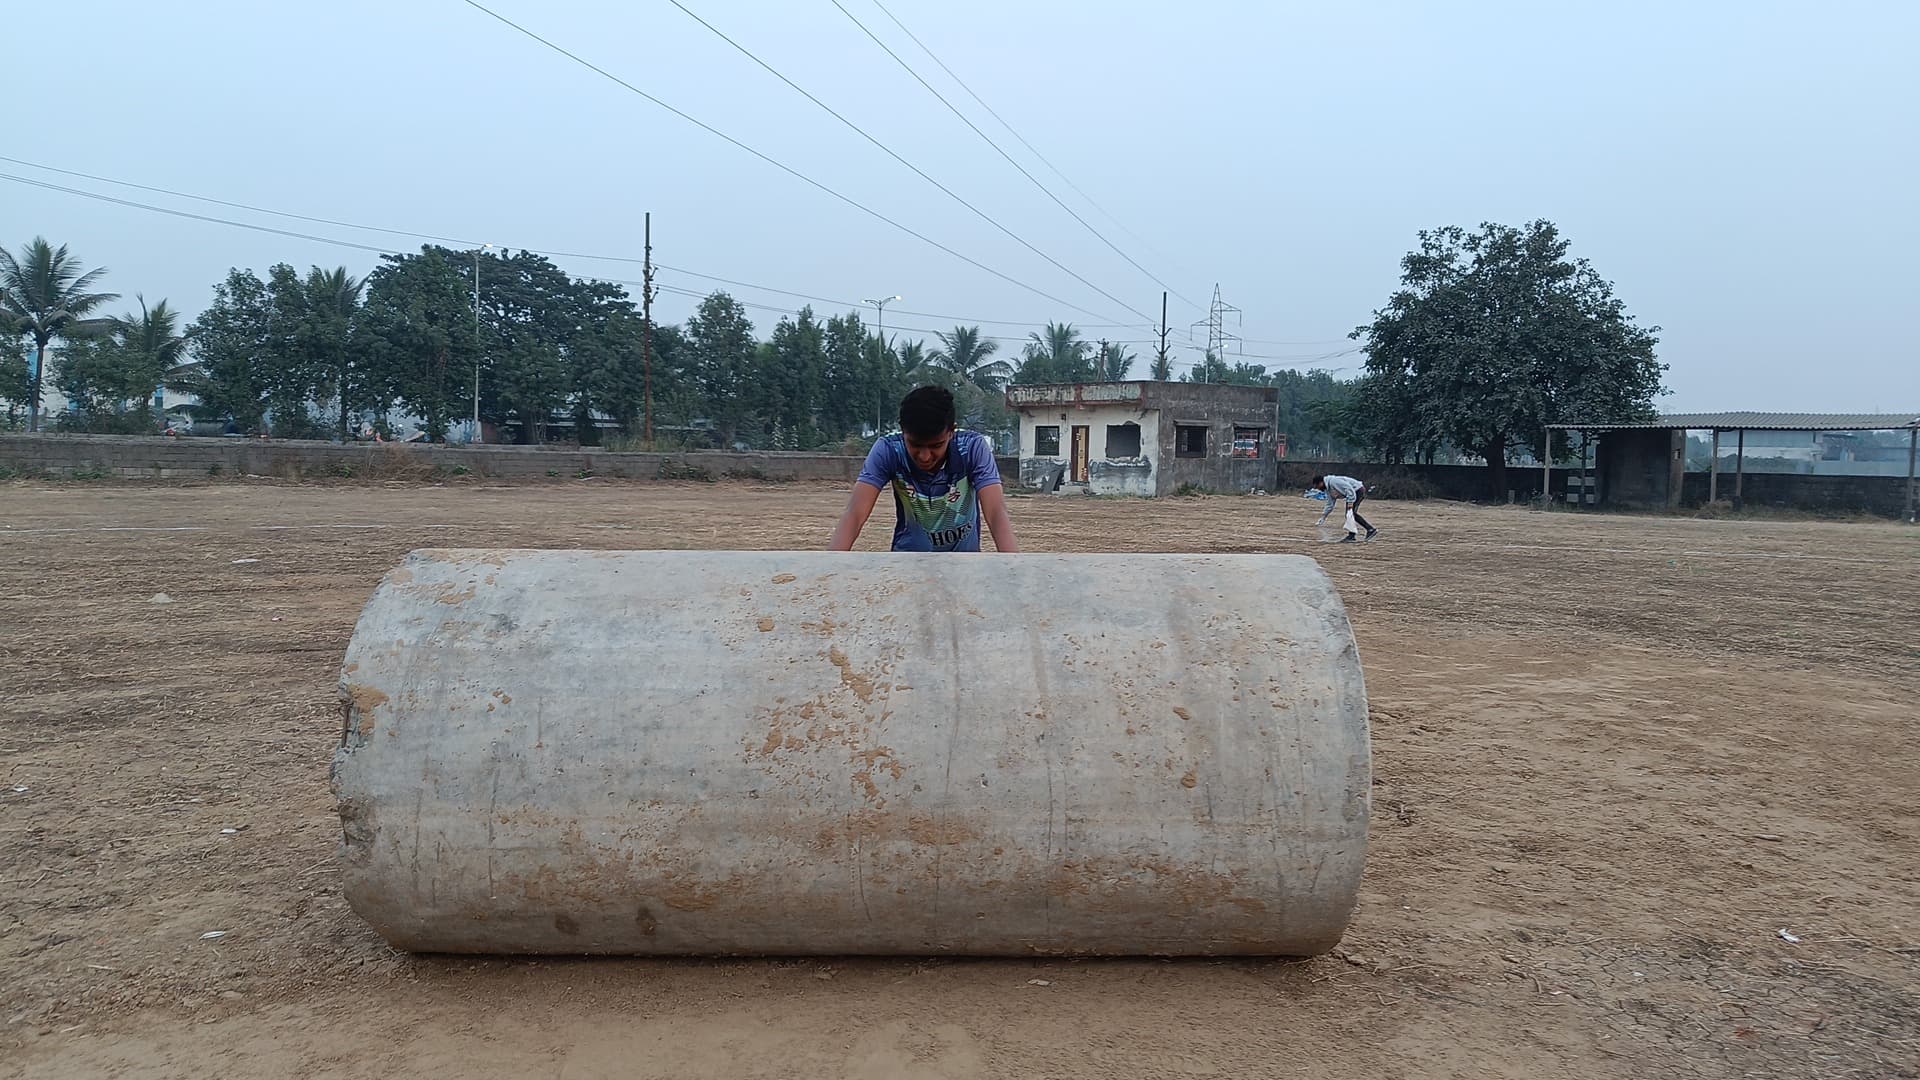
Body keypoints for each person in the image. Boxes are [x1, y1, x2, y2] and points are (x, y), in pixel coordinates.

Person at [828, 386, 1019, 552]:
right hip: (907, 565)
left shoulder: (971, 448)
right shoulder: (888, 450)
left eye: (936, 446)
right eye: (915, 445)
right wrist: (830, 571)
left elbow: (996, 513)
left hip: (964, 566)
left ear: (951, 432)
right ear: (903, 431)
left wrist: (1014, 570)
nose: (925, 456)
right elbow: (855, 514)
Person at [1312, 474, 1378, 543]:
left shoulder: (1334, 481)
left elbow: (1349, 489)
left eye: (1317, 487)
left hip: (1357, 490)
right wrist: (1323, 517)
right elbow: (1330, 504)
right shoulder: (1328, 489)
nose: (1318, 489)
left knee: (1351, 513)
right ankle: (1353, 535)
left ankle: (1369, 530)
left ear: (1321, 482)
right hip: (1353, 493)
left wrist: (1350, 502)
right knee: (1350, 514)